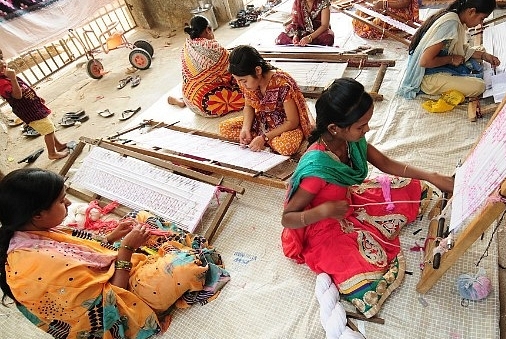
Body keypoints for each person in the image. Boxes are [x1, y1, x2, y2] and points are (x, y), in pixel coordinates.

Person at [281, 78, 454, 318]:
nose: (367, 130)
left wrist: (433, 176)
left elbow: (384, 163)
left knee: (415, 187)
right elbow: (288, 218)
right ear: (334, 128)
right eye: (361, 126)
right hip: (322, 224)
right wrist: (324, 211)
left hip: (348, 202)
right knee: (367, 281)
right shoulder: (316, 170)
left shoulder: (350, 141)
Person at [0, 168, 230, 339]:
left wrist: (111, 238)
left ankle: (165, 257)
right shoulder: (34, 267)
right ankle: (173, 260)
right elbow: (112, 304)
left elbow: (82, 252)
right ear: (38, 214)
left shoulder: (34, 231)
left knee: (141, 217)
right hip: (122, 310)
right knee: (186, 266)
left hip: (119, 272)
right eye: (61, 201)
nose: (69, 202)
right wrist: (127, 248)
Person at [219, 45, 313, 156]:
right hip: (262, 122)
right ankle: (259, 139)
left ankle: (261, 140)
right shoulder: (249, 84)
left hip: (284, 127)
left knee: (287, 147)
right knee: (224, 128)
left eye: (244, 81)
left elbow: (293, 122)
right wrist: (246, 128)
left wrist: (265, 138)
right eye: (238, 81)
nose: (242, 85)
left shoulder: (281, 84)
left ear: (258, 70)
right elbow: (249, 106)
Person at [399, 0, 501, 99]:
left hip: (436, 62)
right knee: (478, 86)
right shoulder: (450, 24)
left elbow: (457, 47)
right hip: (425, 77)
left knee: (480, 50)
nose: (480, 23)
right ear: (471, 11)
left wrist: (484, 56)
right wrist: (451, 59)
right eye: (481, 18)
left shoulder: (456, 16)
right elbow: (425, 61)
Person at [167, 16, 245, 117]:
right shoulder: (213, 47)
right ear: (208, 30)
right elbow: (233, 69)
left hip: (189, 98)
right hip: (206, 104)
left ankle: (182, 101)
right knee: (250, 94)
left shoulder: (187, 45)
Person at [0, 49, 71, 160]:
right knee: (48, 129)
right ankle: (52, 153)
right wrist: (13, 78)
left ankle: (58, 145)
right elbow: (17, 95)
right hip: (27, 111)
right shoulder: (2, 82)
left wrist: (36, 98)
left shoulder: (6, 75)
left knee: (47, 126)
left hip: (32, 105)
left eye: (1, 58)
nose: (1, 63)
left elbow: (24, 87)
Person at [352, 0, 419, 40]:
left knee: (377, 23)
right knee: (360, 13)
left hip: (402, 14)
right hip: (385, 9)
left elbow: (405, 2)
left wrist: (384, 4)